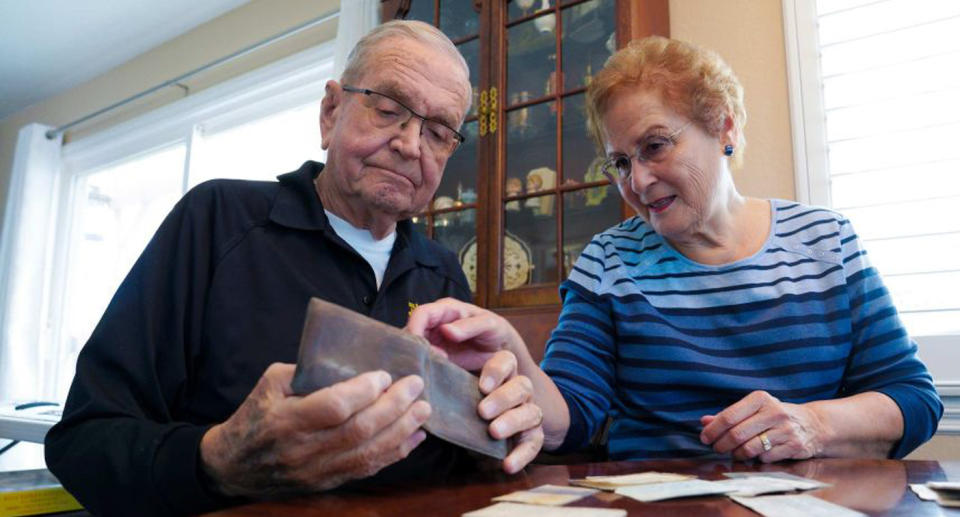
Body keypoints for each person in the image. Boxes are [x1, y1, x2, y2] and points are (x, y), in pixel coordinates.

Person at [44, 20, 543, 516]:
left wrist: (500, 429)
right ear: (331, 112)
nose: (411, 144)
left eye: (438, 132)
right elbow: (84, 442)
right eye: (389, 109)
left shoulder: (443, 274)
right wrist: (217, 459)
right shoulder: (217, 220)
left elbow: (465, 457)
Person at [406, 36, 941, 465]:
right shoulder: (609, 262)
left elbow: (913, 400)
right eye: (619, 162)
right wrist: (516, 359)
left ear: (723, 126)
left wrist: (815, 425)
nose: (637, 181)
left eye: (655, 146)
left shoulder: (827, 242)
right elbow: (572, 417)